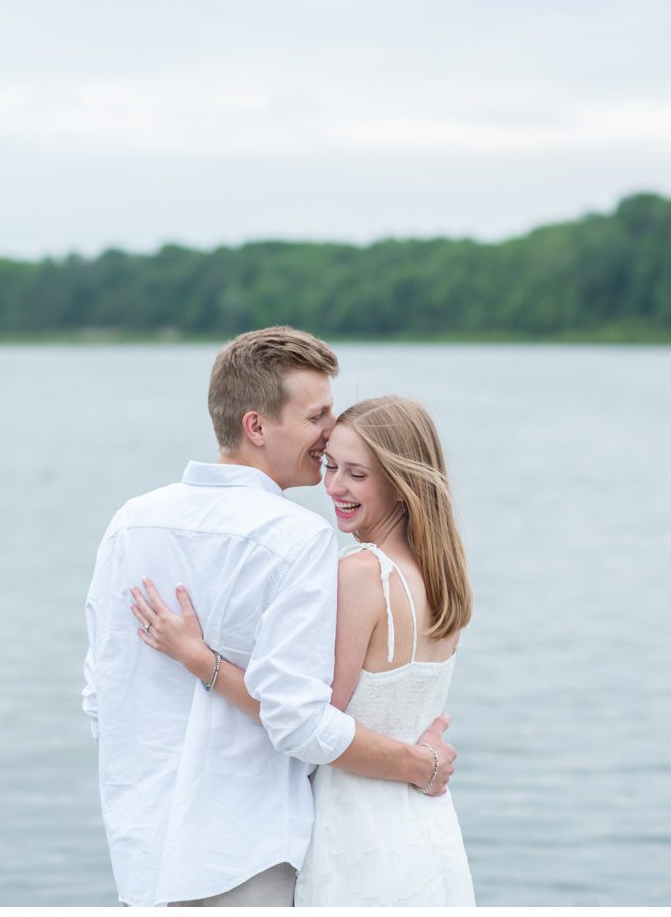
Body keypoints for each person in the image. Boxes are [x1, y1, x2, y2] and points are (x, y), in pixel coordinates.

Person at [81, 328, 456, 907]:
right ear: (257, 426)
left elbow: (99, 695)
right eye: (317, 416)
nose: (329, 431)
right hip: (249, 852)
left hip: (142, 853)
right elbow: (301, 719)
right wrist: (418, 762)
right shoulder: (298, 538)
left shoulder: (131, 522)